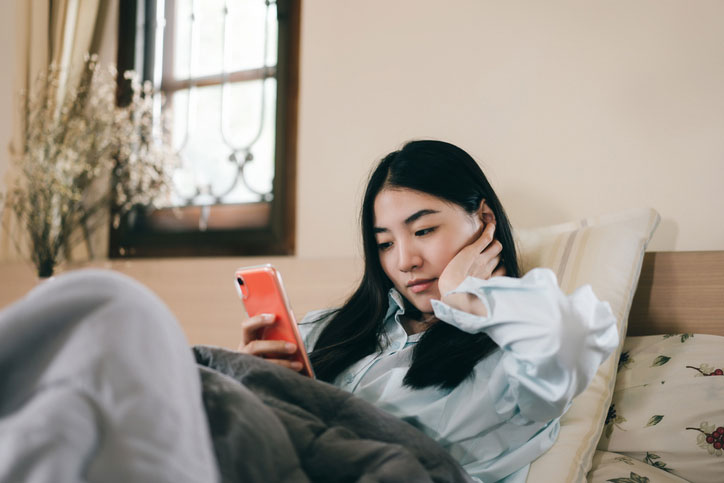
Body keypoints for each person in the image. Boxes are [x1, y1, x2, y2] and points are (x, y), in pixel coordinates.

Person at [238, 139, 619, 482]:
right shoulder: (326, 330)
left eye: (423, 232)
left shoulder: (514, 360)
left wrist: (466, 296)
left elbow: (570, 336)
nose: (405, 262)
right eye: (385, 243)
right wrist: (256, 385)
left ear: (484, 219)